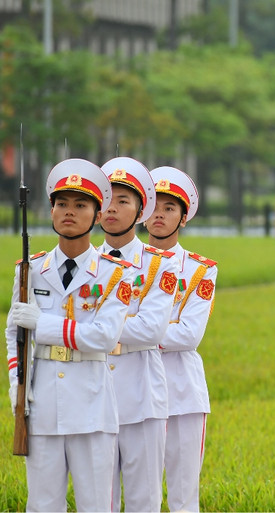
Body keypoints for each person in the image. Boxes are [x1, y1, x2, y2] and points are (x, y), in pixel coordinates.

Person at [5, 158, 134, 511]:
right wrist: (18, 387)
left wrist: (43, 326)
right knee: (42, 504)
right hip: (42, 402)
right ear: (51, 210)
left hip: (92, 406)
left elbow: (105, 337)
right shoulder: (31, 270)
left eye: (80, 205)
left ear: (96, 214)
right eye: (61, 204)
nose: (68, 212)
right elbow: (14, 331)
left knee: (96, 505)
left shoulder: (115, 274)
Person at [97, 156, 179, 512]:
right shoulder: (84, 262)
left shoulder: (161, 264)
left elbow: (152, 329)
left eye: (123, 201)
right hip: (93, 390)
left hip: (142, 393)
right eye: (106, 201)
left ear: (141, 210)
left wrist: (90, 330)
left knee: (144, 499)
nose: (112, 209)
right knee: (98, 499)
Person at [146, 166, 216, 512]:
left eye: (170, 208)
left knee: (184, 495)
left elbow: (189, 335)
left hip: (182, 391)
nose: (159, 214)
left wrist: (133, 332)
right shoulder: (121, 265)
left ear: (183, 217)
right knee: (139, 494)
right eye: (154, 206)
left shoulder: (201, 270)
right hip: (134, 385)